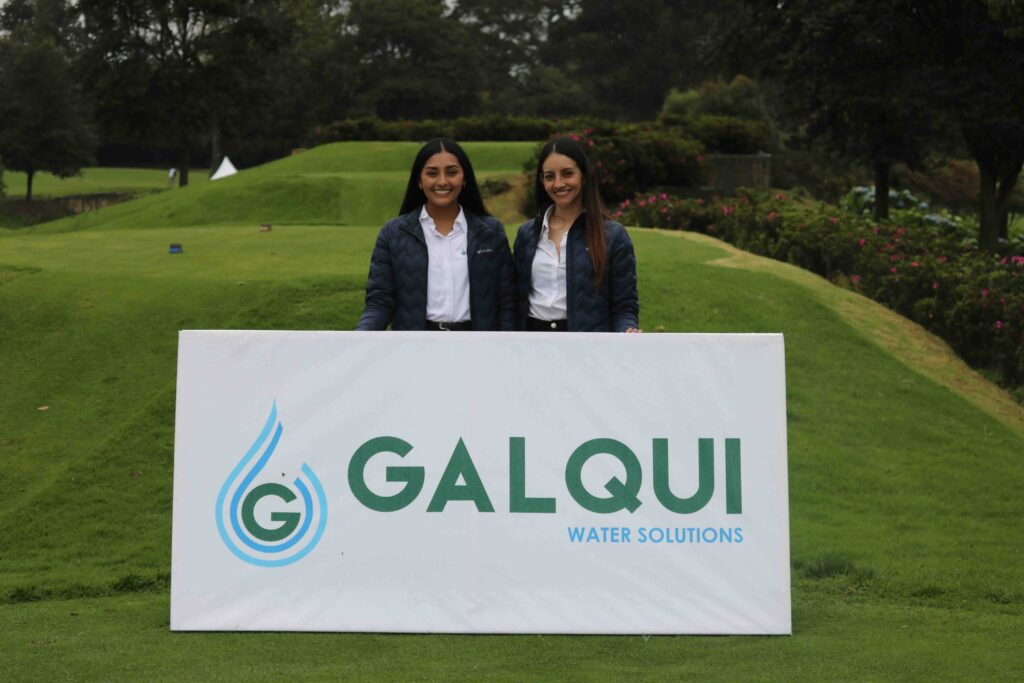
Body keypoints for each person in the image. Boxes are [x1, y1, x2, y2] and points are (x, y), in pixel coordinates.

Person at [357, 138, 516, 331]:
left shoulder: (491, 232)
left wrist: (506, 343)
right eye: (432, 173)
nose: (442, 181)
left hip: (476, 344)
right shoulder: (393, 233)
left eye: (452, 172)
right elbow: (379, 302)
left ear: (464, 178)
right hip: (416, 344)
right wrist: (358, 337)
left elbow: (507, 303)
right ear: (419, 180)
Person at [513, 137, 640, 332]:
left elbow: (624, 307)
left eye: (567, 174)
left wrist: (627, 329)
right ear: (542, 180)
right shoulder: (527, 234)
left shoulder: (613, 236)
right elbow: (514, 300)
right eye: (550, 176)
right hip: (532, 342)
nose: (558, 184)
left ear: (584, 175)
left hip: (586, 345)